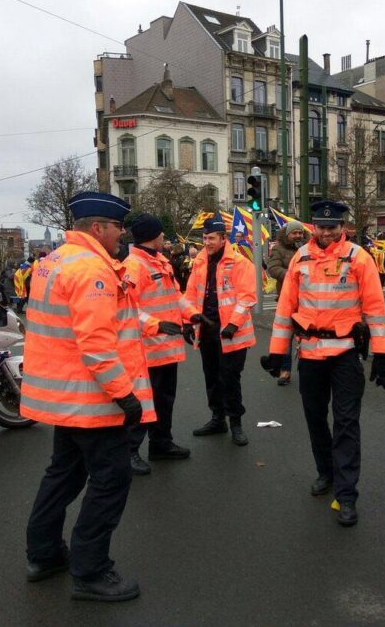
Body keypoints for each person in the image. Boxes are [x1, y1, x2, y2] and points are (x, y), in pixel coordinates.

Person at [21, 191, 155, 602]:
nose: (122, 234)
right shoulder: (92, 269)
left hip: (63, 395)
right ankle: (91, 570)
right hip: (93, 399)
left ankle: (44, 555)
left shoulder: (53, 261)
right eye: (117, 227)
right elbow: (97, 344)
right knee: (111, 480)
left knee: (63, 475)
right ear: (97, 228)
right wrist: (125, 394)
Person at [261, 201, 385, 527]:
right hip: (309, 354)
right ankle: (326, 472)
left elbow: (375, 309)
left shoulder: (358, 258)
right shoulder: (300, 258)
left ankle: (347, 494)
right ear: (314, 228)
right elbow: (285, 309)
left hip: (346, 355)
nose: (326, 233)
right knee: (315, 420)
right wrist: (277, 352)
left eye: (332, 227)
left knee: (346, 423)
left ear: (343, 227)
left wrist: (382, 356)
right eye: (321, 227)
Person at [124, 213, 209, 474]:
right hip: (147, 348)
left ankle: (161, 444)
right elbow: (128, 309)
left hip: (165, 347)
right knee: (143, 401)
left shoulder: (160, 261)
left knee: (164, 400)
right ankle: (130, 452)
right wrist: (157, 325)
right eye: (161, 232)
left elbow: (174, 297)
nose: (164, 236)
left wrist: (192, 314)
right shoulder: (134, 266)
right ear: (152, 236)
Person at [184, 214, 256, 446]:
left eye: (211, 238)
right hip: (207, 330)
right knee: (212, 377)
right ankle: (217, 418)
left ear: (223, 238)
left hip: (232, 333)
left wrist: (233, 324)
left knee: (229, 378)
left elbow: (247, 296)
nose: (207, 242)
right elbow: (191, 294)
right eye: (205, 238)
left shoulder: (239, 263)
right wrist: (187, 321)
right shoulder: (199, 262)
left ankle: (236, 422)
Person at [266, 220, 305, 386]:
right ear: (287, 234)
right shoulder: (278, 249)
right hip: (287, 298)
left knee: (307, 335)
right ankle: (285, 370)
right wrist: (292, 276)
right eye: (294, 233)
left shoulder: (308, 248)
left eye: (300, 233)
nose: (298, 236)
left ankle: (308, 369)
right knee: (286, 336)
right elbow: (273, 268)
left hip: (308, 300)